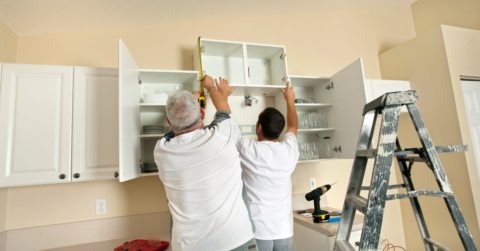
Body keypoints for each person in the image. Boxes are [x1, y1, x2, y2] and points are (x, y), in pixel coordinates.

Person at [153, 76, 258, 251]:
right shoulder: (222, 135)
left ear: (169, 121)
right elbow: (223, 107)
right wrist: (210, 87)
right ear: (202, 114)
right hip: (236, 240)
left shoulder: (162, 151)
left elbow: (174, 131)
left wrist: (194, 98)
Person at [234, 81, 299, 251]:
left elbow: (229, 129)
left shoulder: (248, 149)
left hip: (257, 232)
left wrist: (222, 96)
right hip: (284, 231)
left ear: (259, 128)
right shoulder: (289, 151)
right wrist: (290, 101)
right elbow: (293, 126)